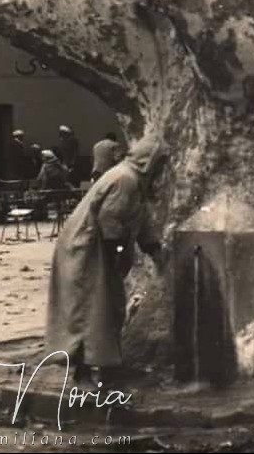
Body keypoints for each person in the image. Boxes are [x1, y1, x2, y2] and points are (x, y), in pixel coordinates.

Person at [46, 133, 168, 385]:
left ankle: (107, 366)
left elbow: (140, 219)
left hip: (99, 248)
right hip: (87, 249)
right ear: (149, 161)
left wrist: (153, 249)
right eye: (159, 164)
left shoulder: (135, 181)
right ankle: (82, 373)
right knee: (89, 310)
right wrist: (119, 254)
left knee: (109, 308)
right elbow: (110, 219)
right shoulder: (125, 179)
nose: (161, 170)